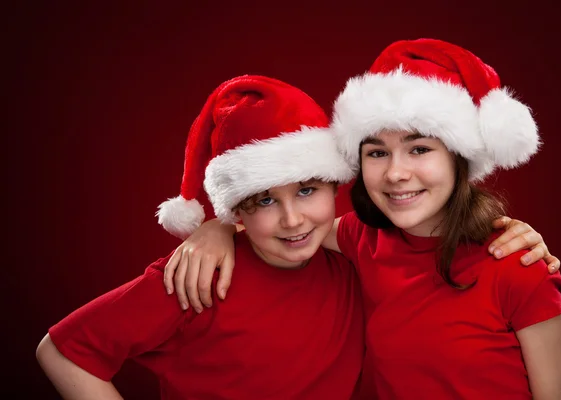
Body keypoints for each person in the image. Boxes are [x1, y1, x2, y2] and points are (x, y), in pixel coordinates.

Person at [162, 39, 561, 399]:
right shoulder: (364, 239)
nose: (395, 173)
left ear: (458, 157)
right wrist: (215, 228)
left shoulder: (519, 266)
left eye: (419, 149)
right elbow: (285, 223)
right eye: (376, 153)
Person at [36, 75, 364, 399]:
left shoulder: (354, 259)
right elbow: (64, 352)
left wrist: (217, 228)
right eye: (265, 200)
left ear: (335, 186)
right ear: (237, 210)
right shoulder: (197, 276)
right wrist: (218, 229)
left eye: (307, 190)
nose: (293, 220)